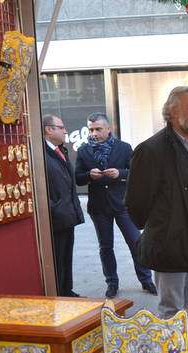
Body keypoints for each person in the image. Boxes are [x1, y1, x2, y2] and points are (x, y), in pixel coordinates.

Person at [125, 86, 188, 322]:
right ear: (173, 112)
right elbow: (136, 204)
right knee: (172, 311)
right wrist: (165, 226)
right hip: (170, 248)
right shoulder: (151, 151)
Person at [75, 113, 156, 298]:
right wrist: (89, 175)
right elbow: (77, 178)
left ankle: (146, 280)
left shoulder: (124, 148)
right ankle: (112, 283)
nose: (94, 133)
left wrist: (120, 173)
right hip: (99, 207)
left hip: (122, 204)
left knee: (136, 242)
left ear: (108, 129)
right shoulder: (83, 151)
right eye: (91, 130)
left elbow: (136, 172)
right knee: (106, 247)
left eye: (98, 129)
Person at [43, 114, 85, 297]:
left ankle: (67, 290)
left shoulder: (61, 150)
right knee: (58, 259)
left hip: (67, 213)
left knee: (67, 257)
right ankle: (60, 294)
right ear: (49, 130)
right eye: (61, 127)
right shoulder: (41, 154)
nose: (65, 131)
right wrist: (55, 206)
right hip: (56, 216)